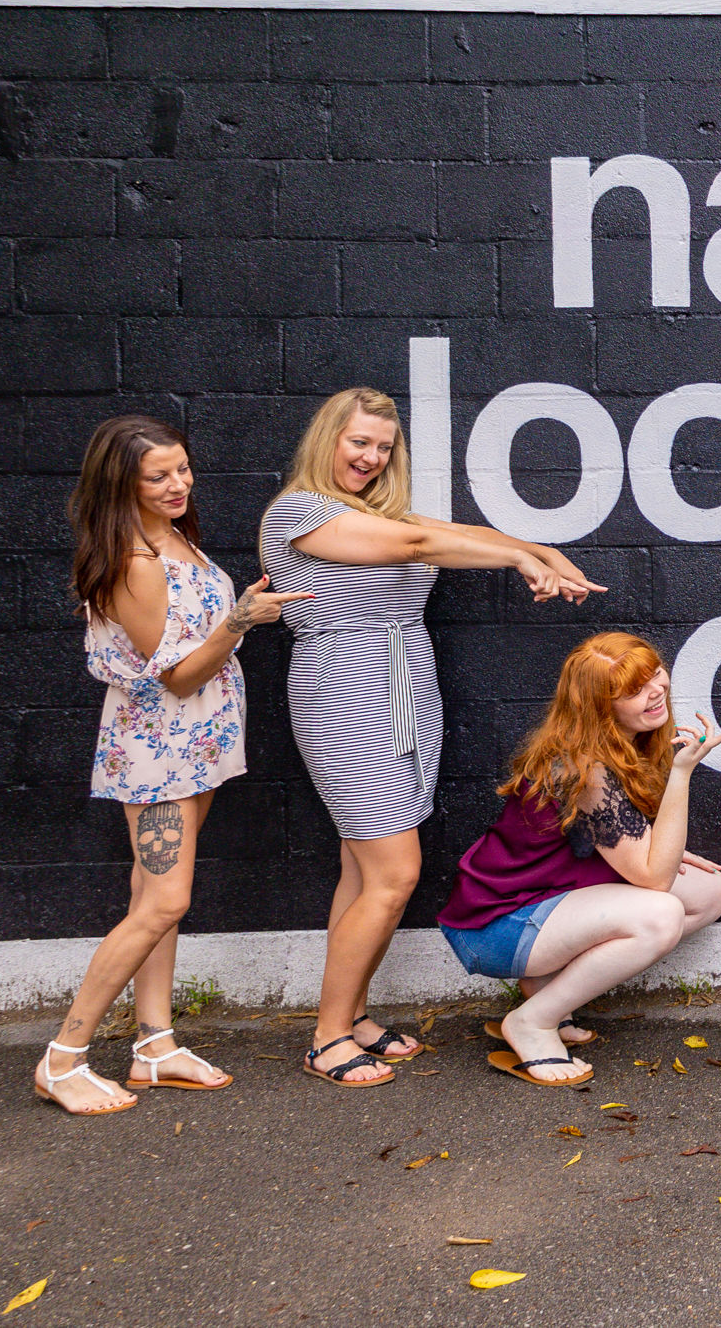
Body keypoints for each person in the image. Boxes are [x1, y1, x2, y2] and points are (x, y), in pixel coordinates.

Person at [261, 386, 606, 1088]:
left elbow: (452, 534)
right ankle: (326, 1036)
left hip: (401, 692)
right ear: (327, 438)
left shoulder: (375, 514)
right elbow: (422, 544)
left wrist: (533, 547)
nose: (371, 456)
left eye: (384, 447)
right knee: (394, 872)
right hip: (346, 690)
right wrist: (520, 559)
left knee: (362, 869)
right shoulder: (300, 511)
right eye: (358, 441)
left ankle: (352, 1015)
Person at [36, 416, 310, 1115]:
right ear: (120, 483)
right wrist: (243, 619)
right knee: (164, 900)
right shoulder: (134, 561)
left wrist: (237, 617)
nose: (177, 483)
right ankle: (62, 1058)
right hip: (158, 751)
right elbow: (180, 677)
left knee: (152, 902)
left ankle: (153, 1046)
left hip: (199, 746)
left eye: (182, 468)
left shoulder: (174, 537)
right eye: (158, 475)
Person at [438, 634, 721, 1087]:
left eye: (654, 672)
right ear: (600, 705)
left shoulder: (623, 740)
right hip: (494, 925)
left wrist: (655, 846)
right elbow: (654, 880)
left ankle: (544, 996)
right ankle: (533, 1022)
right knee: (660, 914)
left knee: (708, 891)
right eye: (633, 689)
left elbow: (616, 847)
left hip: (541, 901)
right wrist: (681, 773)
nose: (655, 690)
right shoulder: (586, 765)